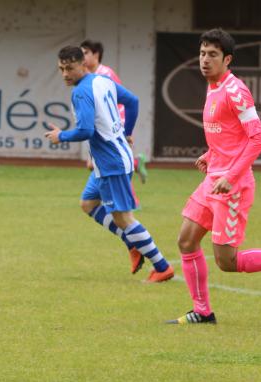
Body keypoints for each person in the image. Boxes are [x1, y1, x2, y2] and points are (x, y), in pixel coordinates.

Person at [168, 28, 261, 324]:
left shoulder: (235, 91)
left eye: (212, 54)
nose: (205, 60)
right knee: (186, 240)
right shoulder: (212, 86)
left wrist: (232, 176)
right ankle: (202, 312)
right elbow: (229, 135)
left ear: (227, 59)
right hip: (214, 179)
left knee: (228, 262)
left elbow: (257, 138)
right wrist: (211, 155)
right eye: (202, 53)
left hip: (232, 186)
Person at [46, 46, 174, 283]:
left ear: (83, 64)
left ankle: (162, 267)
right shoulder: (102, 81)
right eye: (61, 69)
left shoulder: (80, 93)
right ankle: (132, 242)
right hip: (113, 158)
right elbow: (133, 101)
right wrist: (127, 132)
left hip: (110, 163)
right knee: (88, 203)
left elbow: (85, 130)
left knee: (123, 219)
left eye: (70, 68)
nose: (65, 74)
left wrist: (61, 136)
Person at [81, 39, 148, 184]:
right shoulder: (88, 76)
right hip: (100, 125)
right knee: (94, 165)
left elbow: (123, 100)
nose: (83, 57)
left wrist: (123, 128)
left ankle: (127, 201)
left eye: (86, 53)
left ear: (96, 54)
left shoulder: (106, 74)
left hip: (115, 123)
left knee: (113, 164)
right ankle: (136, 163)